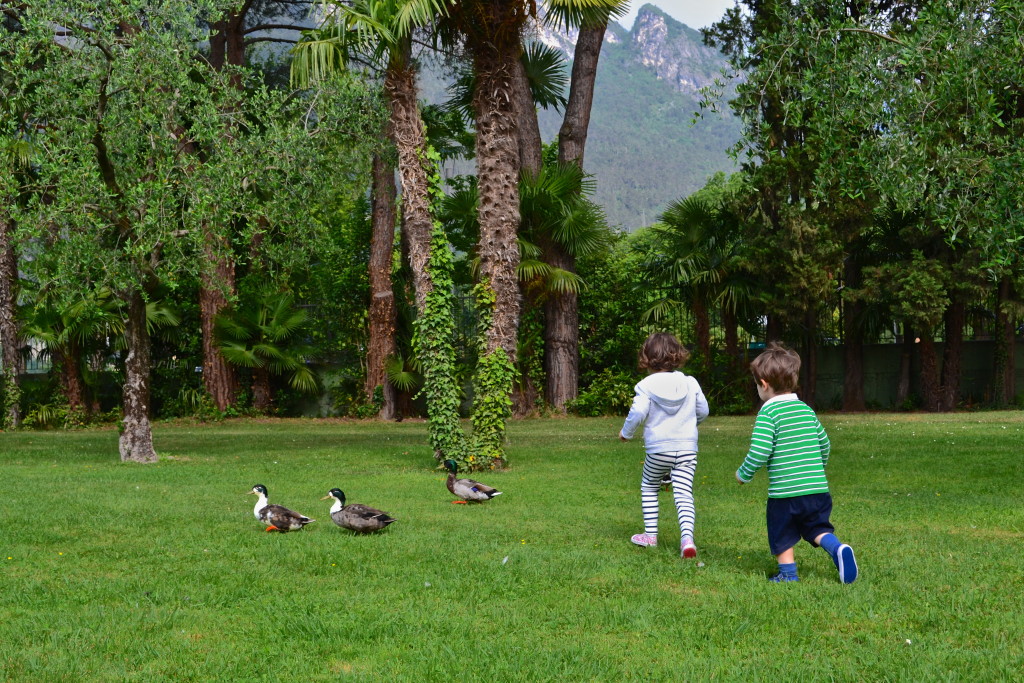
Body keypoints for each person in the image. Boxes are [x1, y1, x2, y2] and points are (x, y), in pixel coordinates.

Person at [735, 342, 858, 583]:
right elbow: (825, 444)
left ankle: (788, 574)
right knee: (817, 527)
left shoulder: (769, 413)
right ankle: (837, 549)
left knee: (782, 531)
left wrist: (744, 473)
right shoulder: (806, 410)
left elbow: (760, 450)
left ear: (763, 384)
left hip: (785, 493)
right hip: (817, 489)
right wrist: (817, 467)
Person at [619, 333, 709, 558]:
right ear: (677, 355)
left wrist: (626, 433)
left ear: (647, 357)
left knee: (649, 486)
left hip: (658, 450)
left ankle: (650, 535)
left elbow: (638, 411)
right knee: (684, 492)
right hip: (687, 448)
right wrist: (690, 423)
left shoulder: (645, 385)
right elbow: (704, 411)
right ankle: (687, 539)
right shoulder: (690, 382)